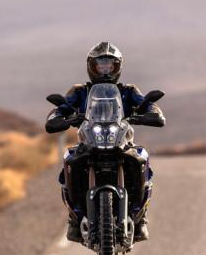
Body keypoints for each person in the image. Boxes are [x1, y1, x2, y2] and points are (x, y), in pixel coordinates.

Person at [45, 41, 165, 243]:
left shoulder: (128, 90)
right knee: (71, 160)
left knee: (139, 159)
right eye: (100, 65)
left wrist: (149, 112)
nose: (105, 69)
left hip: (122, 140)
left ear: (118, 66)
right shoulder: (79, 91)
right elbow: (60, 110)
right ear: (92, 66)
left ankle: (139, 218)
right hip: (88, 140)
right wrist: (62, 117)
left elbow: (149, 107)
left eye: (110, 65)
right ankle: (74, 220)